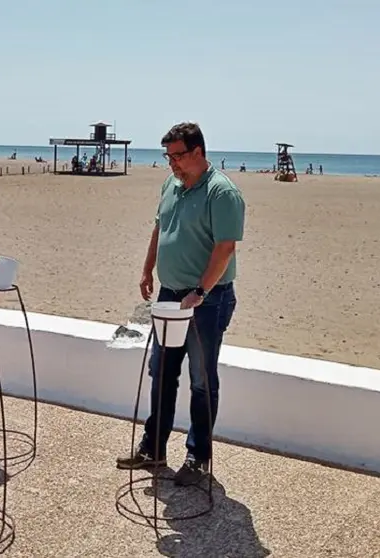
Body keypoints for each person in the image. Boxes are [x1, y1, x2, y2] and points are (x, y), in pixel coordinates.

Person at [116, 122, 246, 486]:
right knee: (162, 370)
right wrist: (147, 270)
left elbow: (225, 248)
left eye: (177, 156)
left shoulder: (222, 193)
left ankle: (198, 456)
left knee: (201, 380)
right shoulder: (171, 185)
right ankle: (154, 448)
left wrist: (201, 292)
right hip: (169, 295)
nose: (171, 163)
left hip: (208, 300)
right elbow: (160, 228)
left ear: (198, 152)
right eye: (167, 156)